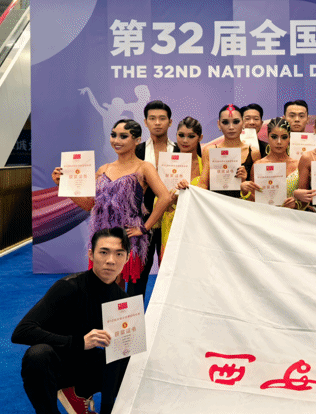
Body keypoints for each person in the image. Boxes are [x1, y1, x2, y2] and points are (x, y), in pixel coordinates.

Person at [12, 228, 134, 414]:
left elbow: (119, 359)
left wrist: (107, 413)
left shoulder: (122, 301)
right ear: (91, 254)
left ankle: (78, 392)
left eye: (119, 254)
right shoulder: (68, 287)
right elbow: (22, 331)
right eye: (104, 252)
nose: (111, 260)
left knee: (131, 357)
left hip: (84, 364)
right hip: (56, 364)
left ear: (127, 258)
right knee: (37, 356)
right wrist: (77, 342)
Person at [51, 119, 171, 287]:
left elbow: (165, 197)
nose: (116, 140)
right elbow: (89, 205)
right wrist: (63, 185)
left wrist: (145, 228)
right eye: (113, 135)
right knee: (106, 285)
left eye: (123, 136)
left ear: (137, 140)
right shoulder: (103, 169)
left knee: (129, 288)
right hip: (103, 236)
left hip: (128, 236)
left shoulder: (144, 167)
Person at [133, 100, 178, 300]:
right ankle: (132, 317)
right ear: (145, 122)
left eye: (162, 118)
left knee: (172, 273)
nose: (157, 123)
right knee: (138, 274)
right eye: (152, 118)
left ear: (170, 122)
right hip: (142, 220)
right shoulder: (137, 150)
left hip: (173, 218)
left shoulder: (181, 150)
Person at [240, 117, 306, 210]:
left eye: (284, 137)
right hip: (265, 216)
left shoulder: (298, 165)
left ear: (289, 138)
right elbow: (254, 202)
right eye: (274, 137)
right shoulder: (258, 165)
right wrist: (245, 191)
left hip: (292, 217)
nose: (279, 142)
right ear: (268, 137)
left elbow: (306, 200)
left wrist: (296, 205)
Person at [160, 117, 204, 258]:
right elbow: (158, 201)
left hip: (198, 226)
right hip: (171, 224)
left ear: (200, 138)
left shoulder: (205, 166)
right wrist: (170, 199)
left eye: (191, 136)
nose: (185, 140)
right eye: (181, 135)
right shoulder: (166, 164)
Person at [197, 105, 261, 199]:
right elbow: (203, 185)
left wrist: (244, 183)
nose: (231, 127)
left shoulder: (253, 153)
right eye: (225, 122)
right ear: (219, 124)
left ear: (243, 123)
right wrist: (186, 189)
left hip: (241, 206)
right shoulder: (209, 151)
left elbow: (258, 195)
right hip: (215, 205)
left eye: (236, 122)